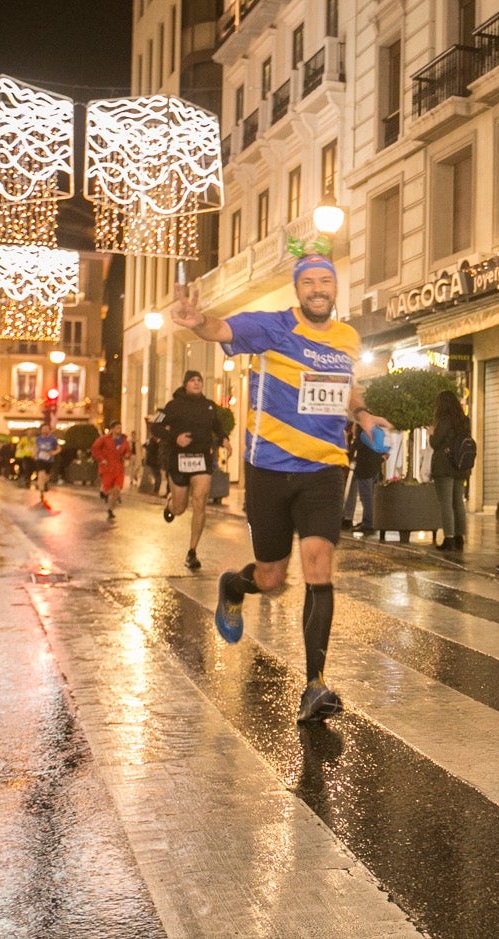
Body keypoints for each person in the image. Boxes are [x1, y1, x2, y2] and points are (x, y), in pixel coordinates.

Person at [173, 249, 391, 725]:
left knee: (318, 566)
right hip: (269, 469)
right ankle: (233, 585)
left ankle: (315, 685)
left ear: (335, 289)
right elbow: (221, 329)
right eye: (309, 282)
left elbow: (344, 385)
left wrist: (362, 413)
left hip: (324, 470)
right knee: (271, 579)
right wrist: (196, 322)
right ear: (298, 289)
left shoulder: (348, 338)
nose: (318, 289)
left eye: (325, 282)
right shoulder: (272, 327)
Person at [154, 370, 225, 572]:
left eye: (199, 380)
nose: (196, 383)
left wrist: (224, 438)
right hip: (179, 460)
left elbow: (218, 426)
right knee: (180, 508)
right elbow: (156, 426)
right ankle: (170, 505)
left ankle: (192, 551)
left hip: (202, 458)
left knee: (200, 501)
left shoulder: (209, 406)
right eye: (192, 380)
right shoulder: (173, 406)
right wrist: (175, 437)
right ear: (185, 384)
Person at [429, 390, 470, 550]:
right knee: (458, 502)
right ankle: (459, 537)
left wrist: (431, 434)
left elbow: (435, 443)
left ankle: (449, 538)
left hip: (444, 466)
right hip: (460, 466)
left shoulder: (444, 420)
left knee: (445, 502)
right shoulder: (464, 420)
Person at [341, 419, 383, 534]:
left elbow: (358, 444)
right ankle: (368, 521)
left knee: (366, 495)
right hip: (372, 465)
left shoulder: (361, 425)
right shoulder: (373, 425)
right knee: (368, 494)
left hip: (365, 466)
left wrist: (352, 442)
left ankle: (368, 523)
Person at [91, 421, 134, 521]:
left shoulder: (124, 440)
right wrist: (101, 459)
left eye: (120, 427)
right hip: (107, 468)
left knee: (117, 489)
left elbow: (127, 451)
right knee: (108, 490)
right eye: (118, 428)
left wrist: (127, 455)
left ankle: (110, 510)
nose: (120, 429)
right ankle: (104, 493)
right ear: (112, 429)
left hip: (118, 468)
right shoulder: (104, 439)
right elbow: (95, 449)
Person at [29, 423, 60, 507]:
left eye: (47, 428)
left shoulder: (53, 439)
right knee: (40, 474)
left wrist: (54, 452)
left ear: (49, 430)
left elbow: (58, 448)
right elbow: (36, 447)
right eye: (43, 428)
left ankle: (45, 484)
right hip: (40, 459)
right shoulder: (38, 439)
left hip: (49, 460)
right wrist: (33, 453)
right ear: (41, 430)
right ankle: (41, 491)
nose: (45, 430)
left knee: (46, 476)